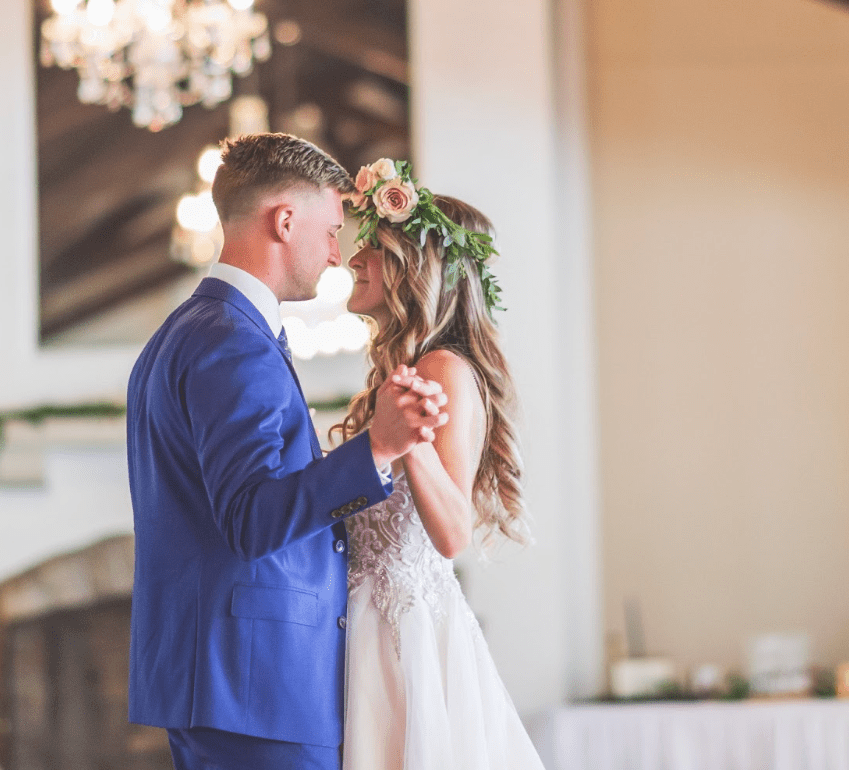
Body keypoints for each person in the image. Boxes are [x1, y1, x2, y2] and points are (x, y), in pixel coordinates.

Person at [126, 134, 451, 770]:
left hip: (222, 682)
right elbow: (249, 518)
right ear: (284, 220)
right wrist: (379, 446)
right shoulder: (232, 341)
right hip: (257, 683)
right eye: (332, 231)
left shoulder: (187, 330)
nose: (336, 255)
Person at [335, 159, 545, 769]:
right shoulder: (404, 370)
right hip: (374, 624)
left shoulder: (443, 369)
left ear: (415, 267)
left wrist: (402, 437)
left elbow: (451, 533)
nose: (352, 259)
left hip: (408, 640)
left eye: (371, 250)